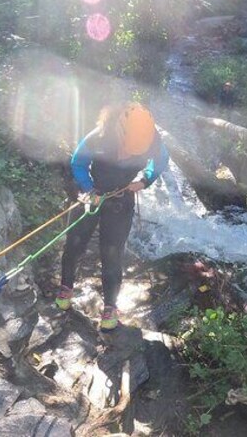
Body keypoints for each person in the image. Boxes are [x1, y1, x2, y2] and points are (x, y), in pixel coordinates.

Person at [55, 102, 170, 331]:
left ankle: (110, 307)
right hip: (91, 194)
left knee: (112, 253)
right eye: (127, 148)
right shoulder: (99, 136)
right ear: (120, 129)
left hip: (121, 198)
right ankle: (66, 288)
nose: (128, 153)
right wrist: (88, 189)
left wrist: (144, 180)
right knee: (75, 243)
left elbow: (161, 161)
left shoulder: (151, 139)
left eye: (134, 151)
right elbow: (78, 162)